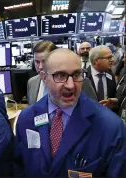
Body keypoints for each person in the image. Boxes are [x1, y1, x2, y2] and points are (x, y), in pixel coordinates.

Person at [14, 49, 126, 177]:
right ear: (44, 78)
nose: (71, 85)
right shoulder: (26, 118)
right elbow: (19, 167)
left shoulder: (111, 127)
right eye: (60, 76)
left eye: (77, 75)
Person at [27, 41, 97, 105]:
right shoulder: (32, 82)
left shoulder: (80, 81)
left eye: (44, 61)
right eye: (37, 62)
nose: (40, 66)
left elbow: (93, 108)